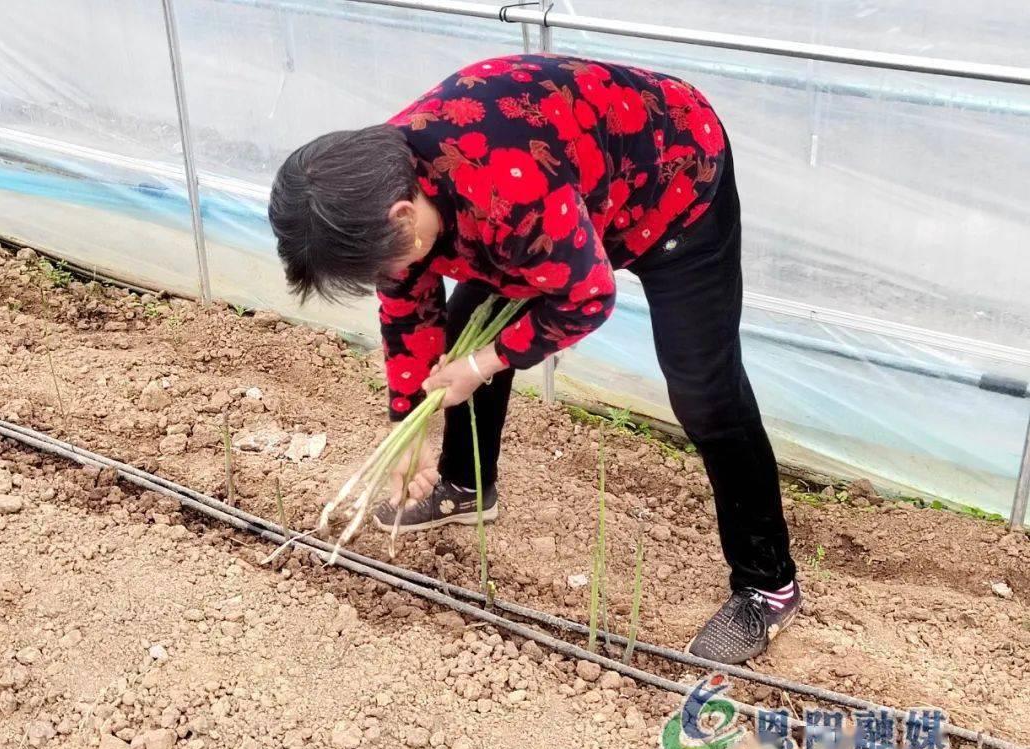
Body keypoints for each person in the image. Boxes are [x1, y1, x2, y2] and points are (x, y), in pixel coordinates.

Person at [268, 53, 800, 664]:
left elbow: (586, 297)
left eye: (380, 265)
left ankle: (767, 585)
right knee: (468, 331)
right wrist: (405, 419)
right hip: (563, 191)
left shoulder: (508, 193)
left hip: (670, 180)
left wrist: (481, 366)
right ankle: (466, 486)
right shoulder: (373, 189)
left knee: (703, 387)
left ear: (403, 217)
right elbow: (408, 306)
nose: (385, 277)